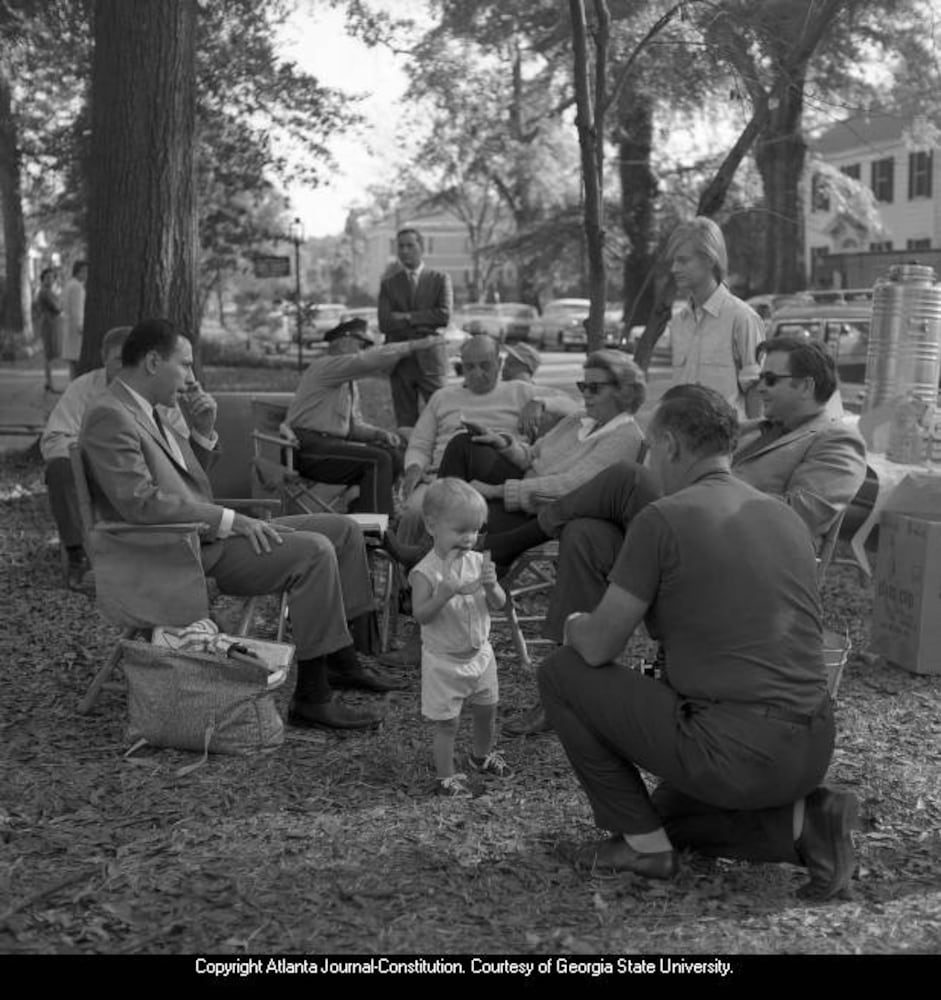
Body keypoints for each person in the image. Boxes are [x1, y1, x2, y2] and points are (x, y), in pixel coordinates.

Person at [539, 384, 859, 901]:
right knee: (666, 816)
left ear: (668, 445)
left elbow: (598, 648)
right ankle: (807, 823)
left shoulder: (661, 517)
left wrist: (576, 621)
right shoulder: (783, 515)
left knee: (560, 672)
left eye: (649, 448)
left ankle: (643, 850)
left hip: (735, 750)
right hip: (811, 744)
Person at [503, 337, 867, 735]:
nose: (758, 386)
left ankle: (512, 543)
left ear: (807, 385)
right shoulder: (756, 429)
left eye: (770, 378)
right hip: (682, 538)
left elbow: (798, 517)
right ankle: (568, 684)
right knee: (585, 534)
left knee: (627, 477)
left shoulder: (837, 440)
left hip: (736, 561)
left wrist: (706, 490)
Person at [79, 318, 404, 731]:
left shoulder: (145, 410)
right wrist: (229, 521)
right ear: (153, 361)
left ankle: (342, 659)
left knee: (340, 528)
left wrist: (202, 432)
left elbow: (189, 484)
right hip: (171, 550)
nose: (190, 378)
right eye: (185, 365)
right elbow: (140, 504)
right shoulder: (111, 415)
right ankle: (312, 696)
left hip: (199, 535)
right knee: (314, 550)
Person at [394, 350, 647, 574]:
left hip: (540, 514)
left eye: (595, 388)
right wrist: (501, 443)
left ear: (623, 391)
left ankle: (429, 563)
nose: (586, 395)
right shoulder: (579, 420)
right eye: (583, 386)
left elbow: (572, 488)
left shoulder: (624, 436)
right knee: (465, 443)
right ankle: (433, 558)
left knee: (462, 515)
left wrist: (497, 491)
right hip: (522, 492)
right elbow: (532, 456)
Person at [394, 334, 578, 543]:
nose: (477, 373)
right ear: (461, 366)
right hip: (440, 477)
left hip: (493, 475)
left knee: (463, 445)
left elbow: (575, 407)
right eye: (469, 367)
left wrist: (541, 402)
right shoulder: (442, 397)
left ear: (499, 363)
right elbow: (420, 444)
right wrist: (414, 468)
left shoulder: (519, 391)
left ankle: (435, 556)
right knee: (415, 512)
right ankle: (404, 569)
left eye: (485, 365)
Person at [409, 478, 509, 797]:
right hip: (444, 662)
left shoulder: (480, 563)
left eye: (475, 530)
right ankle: (446, 776)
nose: (469, 538)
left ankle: (480, 755)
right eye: (460, 530)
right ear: (431, 525)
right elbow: (420, 615)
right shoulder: (425, 572)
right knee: (447, 723)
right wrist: (441, 595)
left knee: (487, 709)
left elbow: (500, 604)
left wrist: (492, 586)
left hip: (481, 655)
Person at [284, 317, 440, 516]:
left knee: (392, 455)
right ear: (342, 343)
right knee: (378, 460)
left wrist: (380, 435)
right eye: (361, 345)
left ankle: (361, 513)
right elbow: (366, 361)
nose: (363, 351)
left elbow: (351, 427)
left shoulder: (346, 382)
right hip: (305, 448)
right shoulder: (325, 366)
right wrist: (413, 345)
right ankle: (379, 528)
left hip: (327, 447)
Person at [41, 326, 136, 589]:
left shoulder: (150, 388)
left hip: (135, 470)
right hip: (90, 470)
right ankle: (77, 556)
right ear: (104, 358)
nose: (126, 365)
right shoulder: (83, 388)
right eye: (119, 359)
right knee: (60, 468)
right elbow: (54, 438)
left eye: (132, 358)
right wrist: (88, 453)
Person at [667, 217, 764, 418]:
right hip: (685, 441)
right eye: (674, 261)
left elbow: (757, 391)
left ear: (710, 260)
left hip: (728, 444)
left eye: (683, 260)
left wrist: (755, 445)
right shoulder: (678, 323)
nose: (674, 268)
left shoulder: (742, 318)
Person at [378, 227, 453, 430]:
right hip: (400, 363)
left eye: (410, 245)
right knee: (405, 423)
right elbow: (385, 323)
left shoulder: (440, 279)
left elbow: (444, 316)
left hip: (431, 361)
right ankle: (408, 460)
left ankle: (442, 460)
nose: (404, 251)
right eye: (400, 247)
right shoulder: (389, 285)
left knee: (442, 417)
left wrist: (406, 317)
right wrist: (425, 320)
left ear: (422, 247)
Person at [35, 268, 63, 393]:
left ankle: (49, 382)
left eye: (52, 277)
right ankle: (49, 383)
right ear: (43, 279)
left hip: (50, 323)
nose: (50, 279)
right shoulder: (45, 292)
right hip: (48, 324)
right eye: (47, 277)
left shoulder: (47, 291)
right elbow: (57, 308)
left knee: (50, 355)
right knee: (49, 354)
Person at [61, 260, 88, 380]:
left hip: (70, 326)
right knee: (76, 360)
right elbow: (78, 309)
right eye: (84, 272)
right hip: (76, 328)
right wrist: (80, 326)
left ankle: (72, 386)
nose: (86, 275)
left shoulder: (70, 284)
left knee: (73, 362)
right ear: (78, 272)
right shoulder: (77, 287)